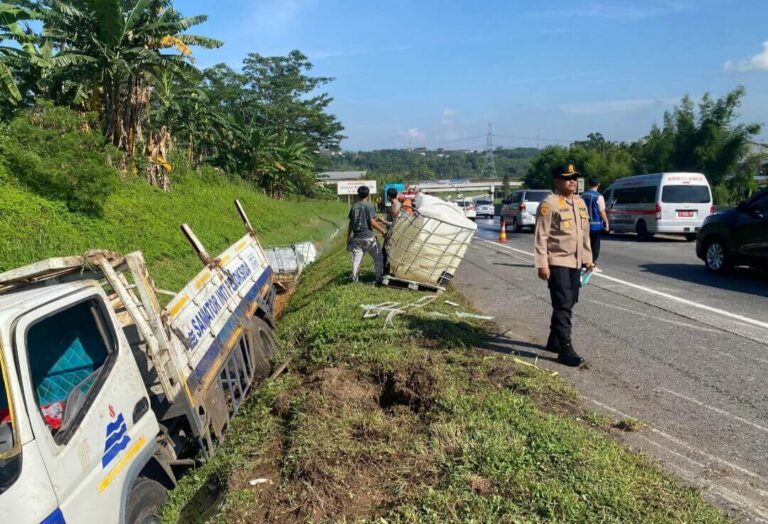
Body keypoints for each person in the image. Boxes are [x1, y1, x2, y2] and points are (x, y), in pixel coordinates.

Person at [534, 164, 594, 366]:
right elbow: (541, 236)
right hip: (557, 261)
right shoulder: (549, 204)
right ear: (557, 181)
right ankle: (565, 349)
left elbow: (584, 235)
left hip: (575, 262)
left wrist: (588, 258)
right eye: (568, 178)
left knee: (570, 301)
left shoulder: (580, 203)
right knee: (563, 304)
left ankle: (554, 340)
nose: (572, 181)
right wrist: (542, 264)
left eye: (575, 178)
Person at [348, 185, 387, 284]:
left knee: (356, 260)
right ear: (368, 194)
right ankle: (378, 279)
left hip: (357, 237)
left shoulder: (354, 206)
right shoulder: (370, 205)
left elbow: (351, 223)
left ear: (358, 194)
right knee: (378, 257)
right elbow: (371, 221)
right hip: (368, 237)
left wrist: (348, 237)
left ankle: (355, 280)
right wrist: (382, 230)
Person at [580, 177, 609, 268]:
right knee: (595, 246)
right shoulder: (599, 196)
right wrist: (606, 222)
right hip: (595, 225)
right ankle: (590, 263)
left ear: (589, 184)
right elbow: (601, 211)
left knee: (585, 244)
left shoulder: (582, 196)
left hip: (583, 225)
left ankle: (584, 262)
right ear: (598, 184)